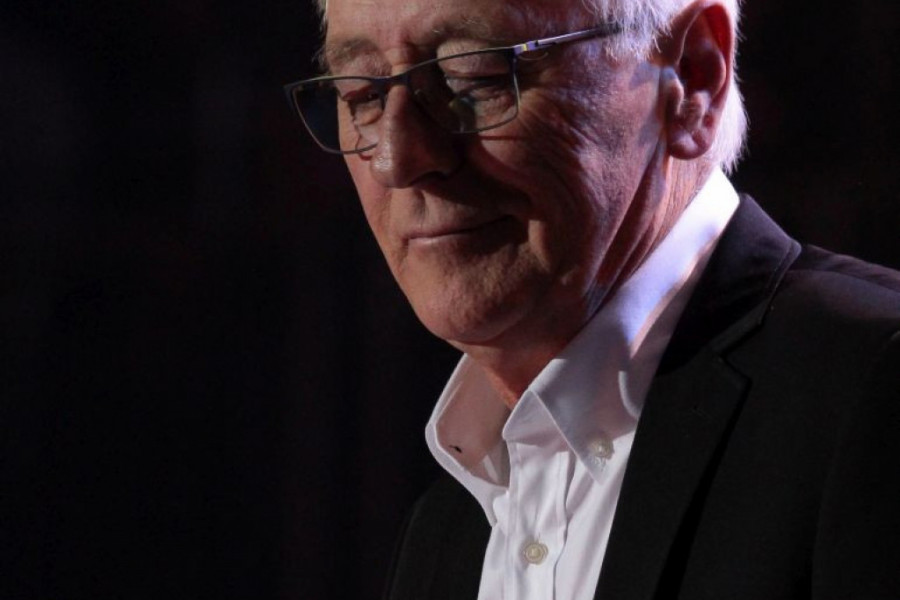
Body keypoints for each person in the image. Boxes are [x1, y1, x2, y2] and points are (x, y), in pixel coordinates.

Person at [285, 0, 900, 598]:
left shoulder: (872, 394)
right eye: (361, 95)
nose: (397, 159)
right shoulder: (445, 528)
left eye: (476, 76)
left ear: (692, 75)